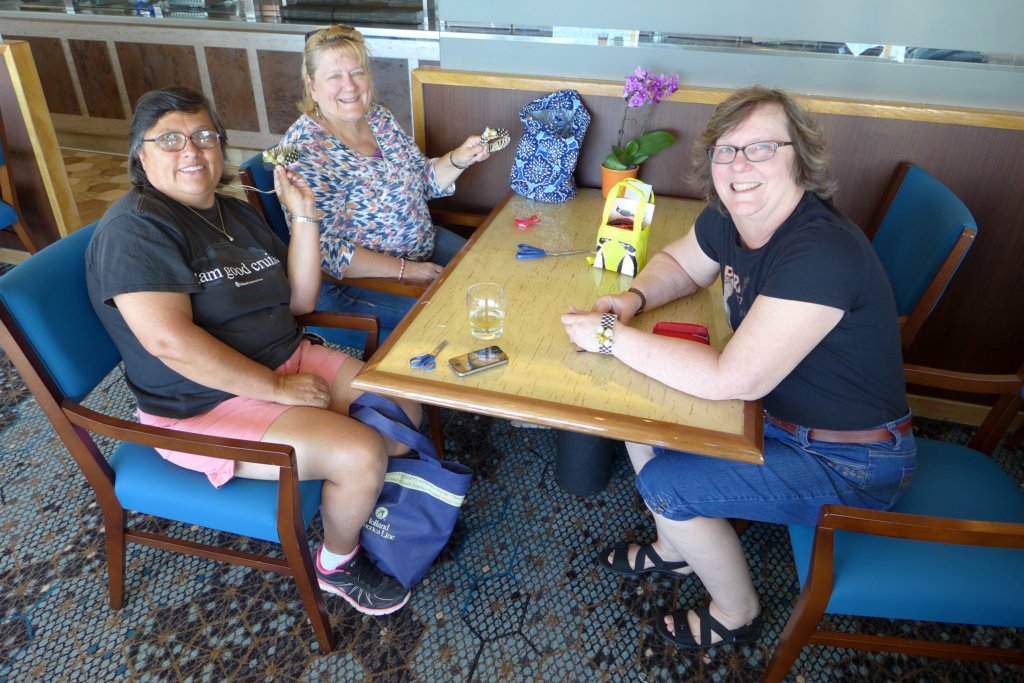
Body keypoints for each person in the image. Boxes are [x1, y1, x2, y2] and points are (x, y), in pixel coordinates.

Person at [561, 86, 915, 649]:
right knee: (636, 412)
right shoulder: (734, 216)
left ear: (800, 157)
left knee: (663, 482)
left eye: (761, 148)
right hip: (774, 413)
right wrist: (631, 300)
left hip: (849, 460)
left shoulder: (820, 252)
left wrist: (609, 336)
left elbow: (732, 378)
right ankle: (677, 548)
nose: (738, 165)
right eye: (725, 150)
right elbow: (681, 263)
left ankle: (736, 611)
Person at [86, 87, 423, 617]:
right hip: (202, 403)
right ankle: (337, 562)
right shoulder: (136, 229)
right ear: (140, 154)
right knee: (360, 453)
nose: (191, 150)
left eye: (204, 136)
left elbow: (300, 300)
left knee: (403, 411)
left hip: (283, 357)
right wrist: (277, 389)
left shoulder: (232, 212)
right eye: (170, 139)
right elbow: (168, 342)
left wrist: (304, 216)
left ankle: (352, 495)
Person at [280, 24, 492, 339]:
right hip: (354, 284)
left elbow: (422, 180)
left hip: (422, 249)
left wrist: (459, 158)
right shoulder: (301, 149)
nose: (349, 86)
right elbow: (324, 251)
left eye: (357, 72)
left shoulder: (379, 118)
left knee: (495, 277)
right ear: (312, 86)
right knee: (467, 310)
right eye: (334, 76)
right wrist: (406, 271)